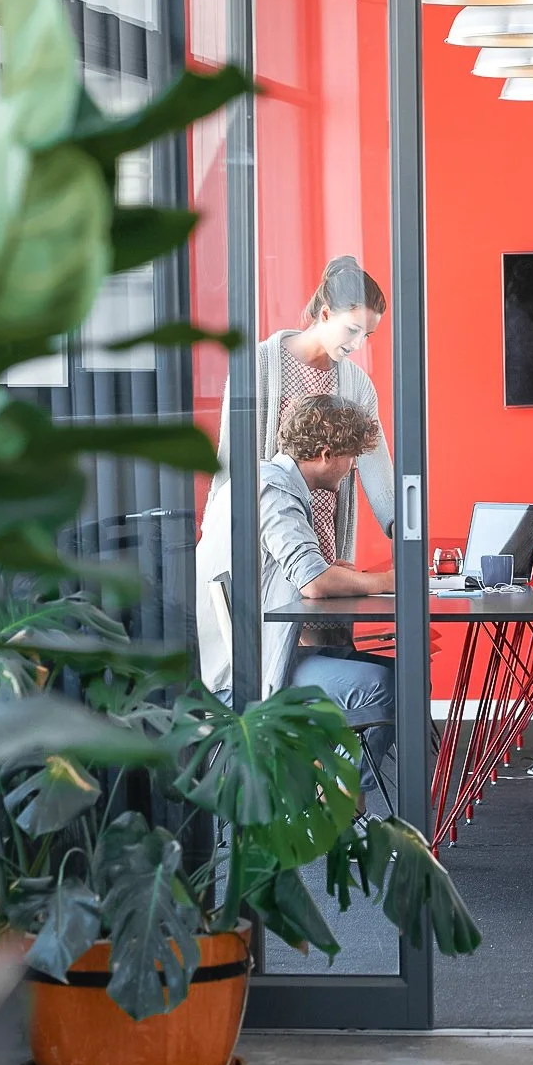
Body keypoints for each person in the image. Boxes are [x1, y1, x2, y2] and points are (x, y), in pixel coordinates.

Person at [195, 394, 396, 786]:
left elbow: (290, 570)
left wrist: (325, 572)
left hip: (249, 656)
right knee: (390, 687)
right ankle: (337, 801)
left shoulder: (255, 479)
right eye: (351, 456)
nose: (353, 466)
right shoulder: (273, 491)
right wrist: (388, 583)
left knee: (398, 673)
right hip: (242, 678)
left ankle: (326, 789)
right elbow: (314, 583)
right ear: (325, 454)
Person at [206, 255, 395, 566]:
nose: (359, 344)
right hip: (267, 537)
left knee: (320, 595)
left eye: (367, 335)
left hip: (325, 540)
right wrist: (219, 537)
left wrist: (402, 530)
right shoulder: (259, 366)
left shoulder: (357, 384)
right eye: (352, 330)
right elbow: (231, 460)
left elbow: (376, 468)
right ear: (324, 313)